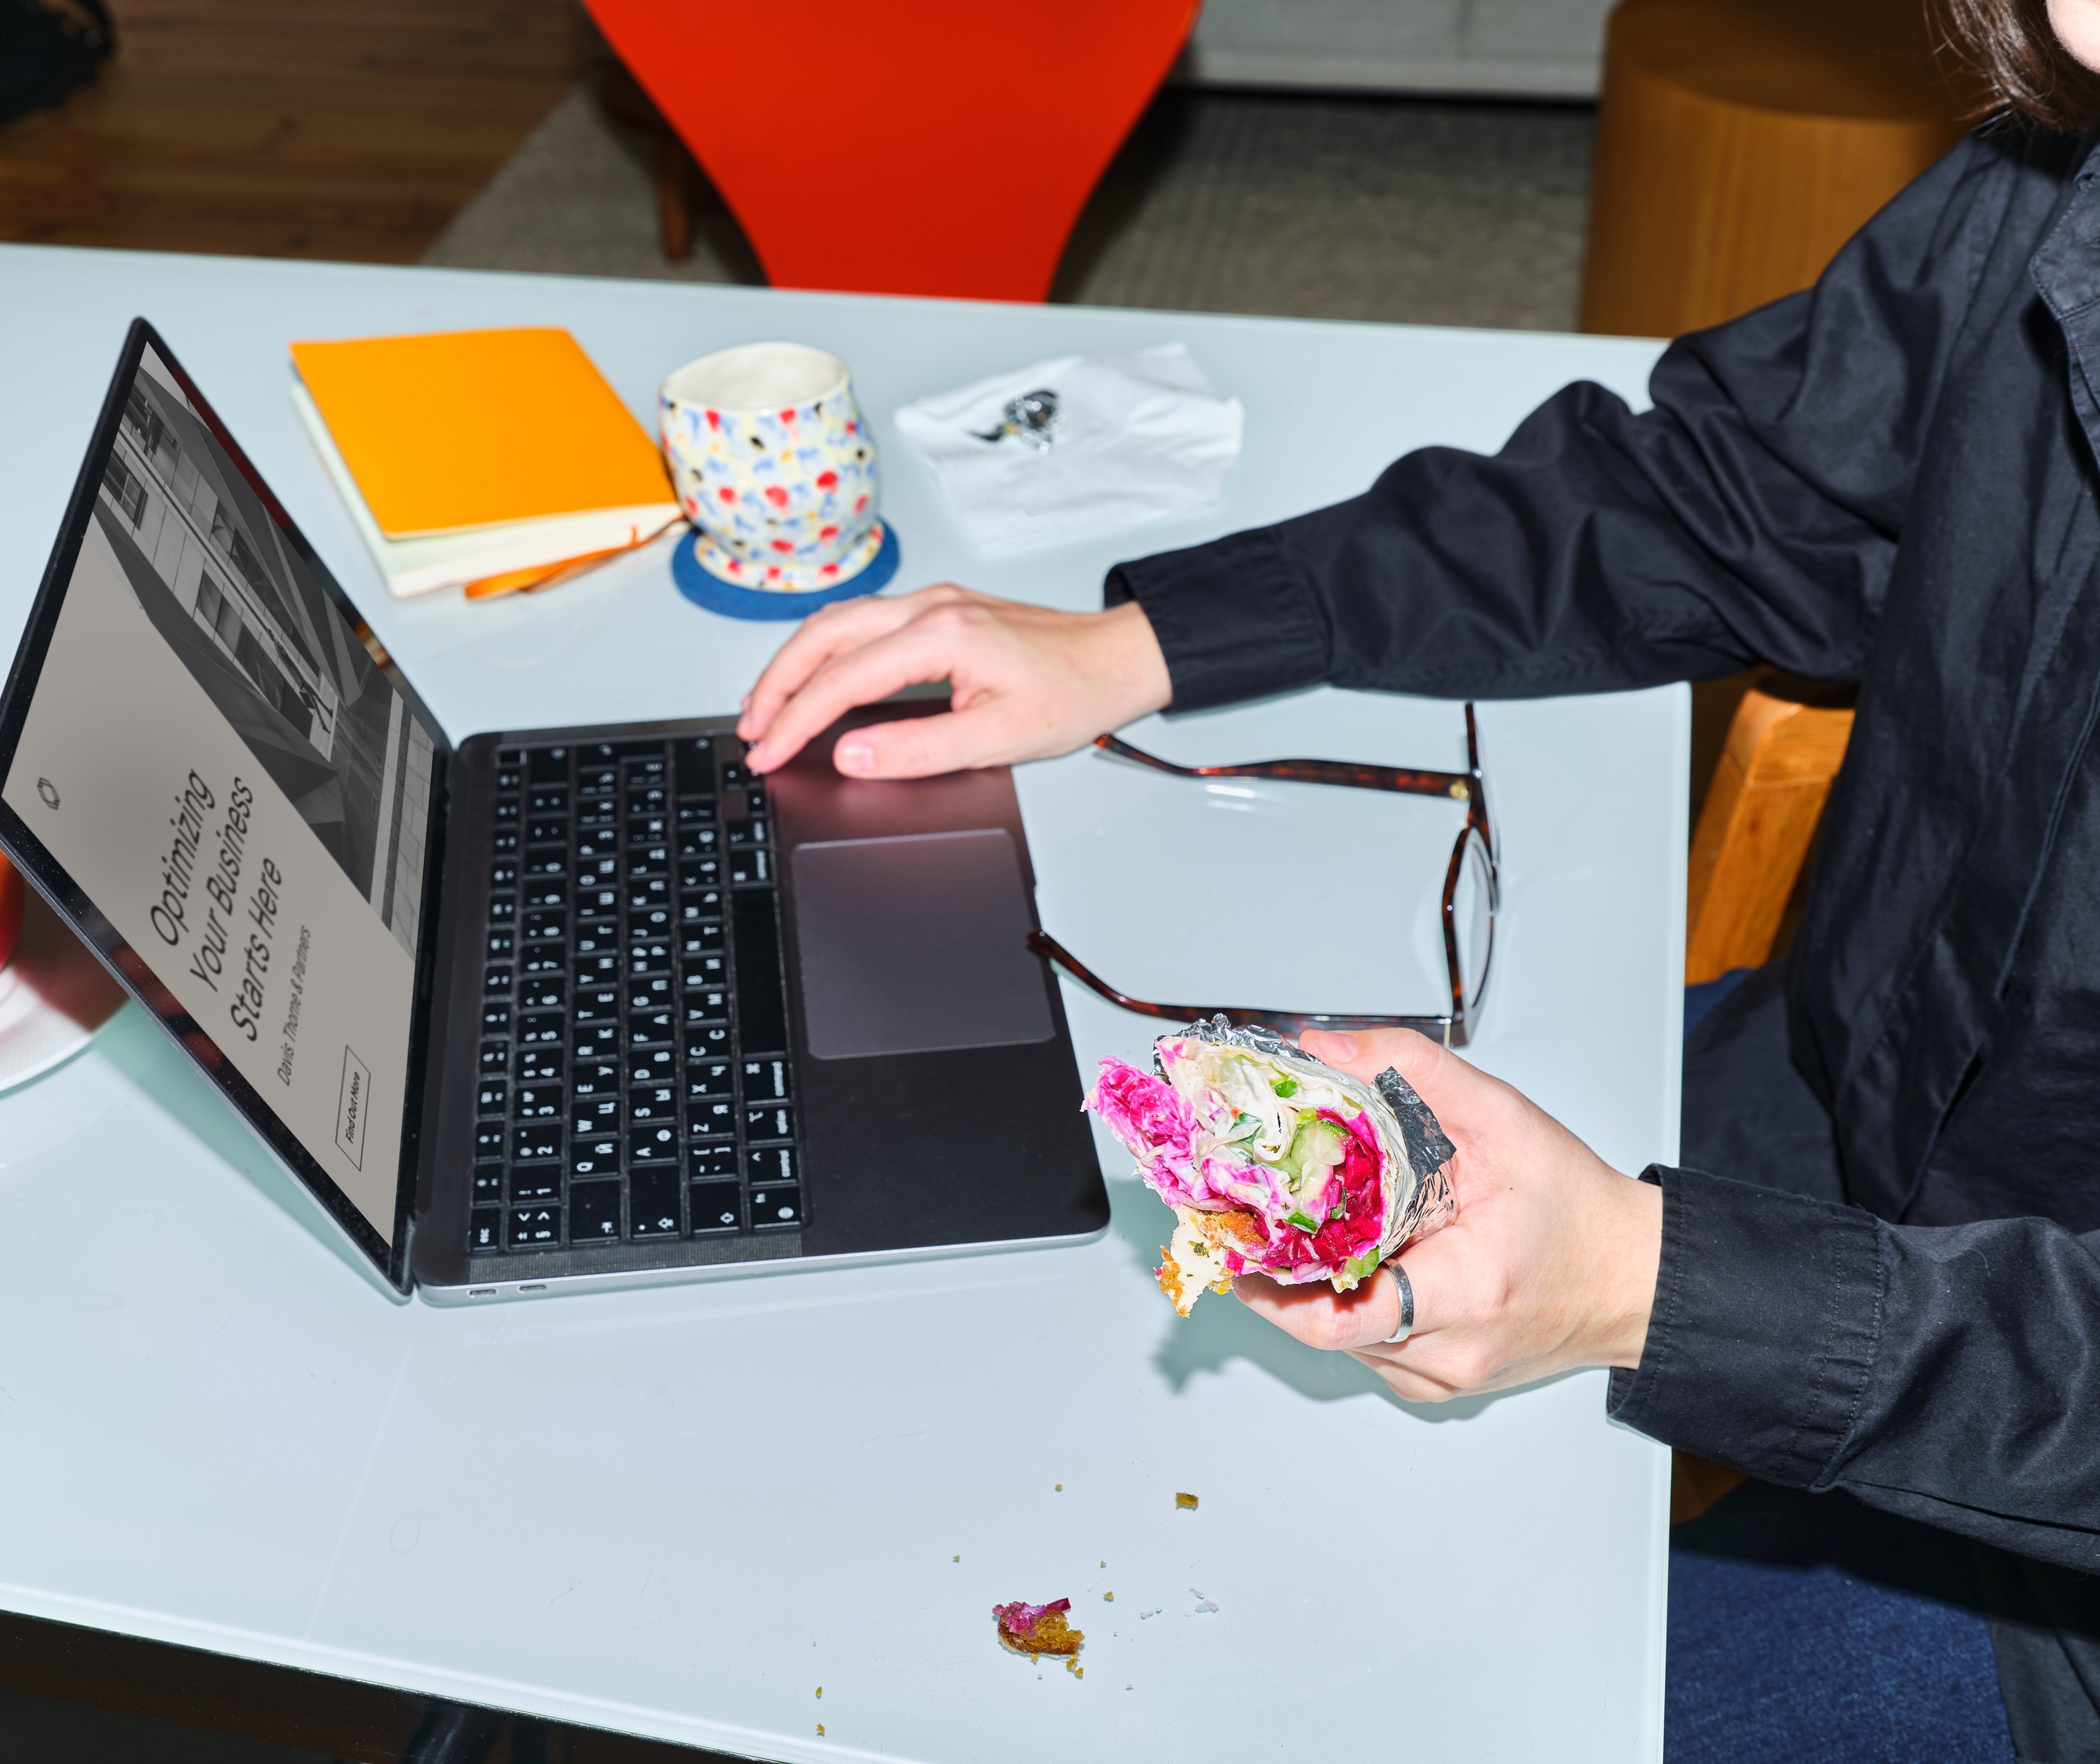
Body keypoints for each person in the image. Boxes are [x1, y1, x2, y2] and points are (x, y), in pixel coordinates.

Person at [736, 3, 2100, 1757]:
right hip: (1837, 1111)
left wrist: (1654, 1288)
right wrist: (1152, 638)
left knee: (1301, 1702)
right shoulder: (2052, 167)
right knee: (1022, 1361)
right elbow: (1737, 494)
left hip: (2044, 1621)